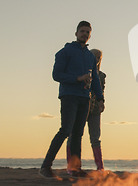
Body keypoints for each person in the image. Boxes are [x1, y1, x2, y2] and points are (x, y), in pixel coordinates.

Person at [39, 21, 104, 179]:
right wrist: (77, 78)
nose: (84, 34)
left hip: (85, 97)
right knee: (65, 130)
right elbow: (57, 75)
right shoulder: (65, 52)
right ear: (76, 33)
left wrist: (100, 98)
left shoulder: (90, 56)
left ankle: (75, 168)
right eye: (82, 31)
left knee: (77, 134)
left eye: (87, 32)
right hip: (69, 95)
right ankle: (45, 166)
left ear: (90, 35)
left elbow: (95, 79)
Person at [66, 49, 106, 173]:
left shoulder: (102, 76)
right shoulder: (82, 72)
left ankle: (100, 168)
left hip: (94, 110)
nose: (97, 59)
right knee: (74, 136)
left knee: (95, 137)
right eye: (95, 56)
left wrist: (101, 102)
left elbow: (101, 90)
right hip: (81, 107)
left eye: (99, 57)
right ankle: (72, 165)